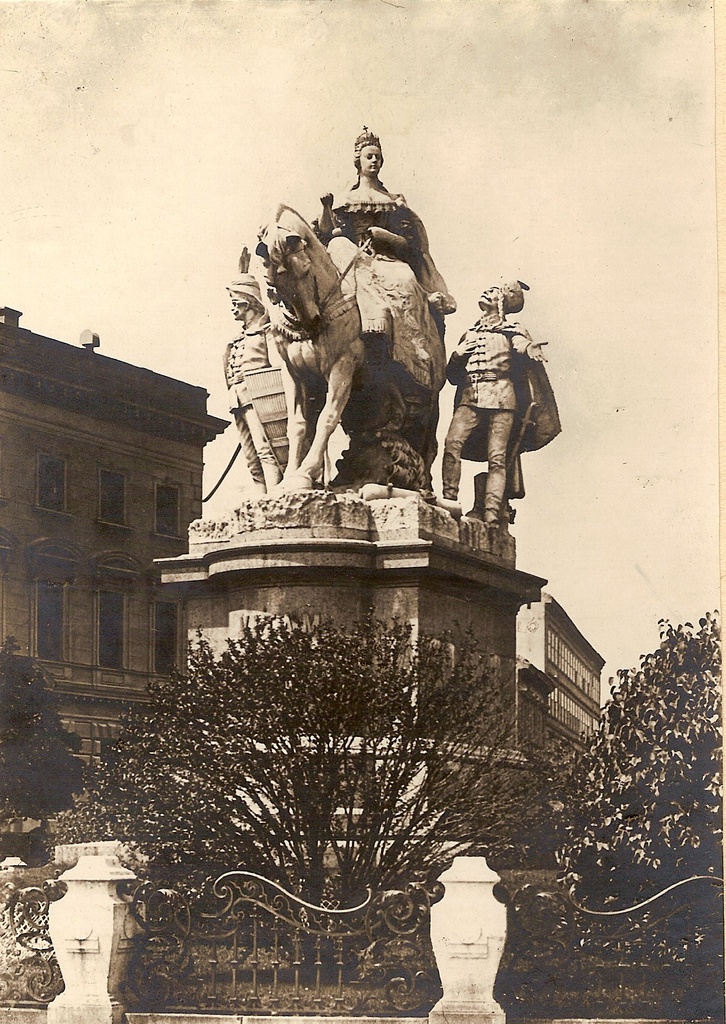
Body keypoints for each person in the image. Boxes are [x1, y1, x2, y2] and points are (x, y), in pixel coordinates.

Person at [318, 127, 455, 392]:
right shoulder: (345, 199)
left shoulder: (392, 202)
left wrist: (383, 236)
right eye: (369, 156)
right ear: (358, 161)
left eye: (378, 157)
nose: (374, 161)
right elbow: (327, 233)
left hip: (387, 260)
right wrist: (326, 208)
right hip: (352, 258)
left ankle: (392, 338)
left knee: (405, 280)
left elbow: (408, 244)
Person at [441, 280, 549, 528]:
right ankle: (449, 501)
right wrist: (457, 355)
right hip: (471, 395)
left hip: (501, 397)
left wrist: (529, 347)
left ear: (502, 302)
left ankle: (491, 514)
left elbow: (521, 345)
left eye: (493, 292)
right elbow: (453, 376)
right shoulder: (469, 334)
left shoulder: (512, 329)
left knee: (497, 458)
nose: (486, 292)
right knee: (451, 444)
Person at [224, 274, 284, 495]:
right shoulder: (238, 338)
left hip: (261, 396)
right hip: (238, 398)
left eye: (234, 304)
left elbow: (278, 368)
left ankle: (275, 495)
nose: (232, 309)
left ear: (246, 302)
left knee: (266, 449)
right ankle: (260, 498)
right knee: (250, 456)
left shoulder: (267, 331)